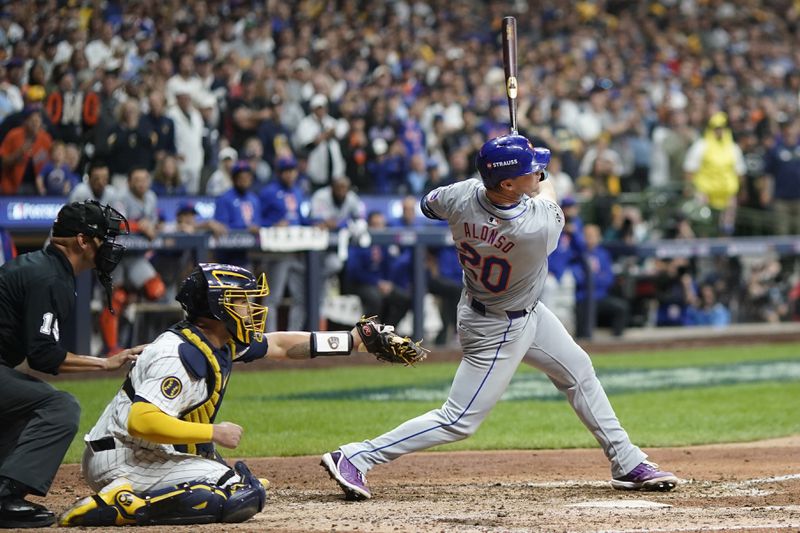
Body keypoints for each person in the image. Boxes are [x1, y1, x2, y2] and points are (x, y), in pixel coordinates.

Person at [321, 134, 679, 501]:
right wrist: (528, 165)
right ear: (507, 185)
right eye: (529, 172)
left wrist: (512, 157)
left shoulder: (463, 194)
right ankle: (356, 455)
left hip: (519, 311)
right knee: (459, 420)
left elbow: (430, 205)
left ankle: (626, 460)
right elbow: (549, 191)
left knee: (578, 371)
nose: (537, 174)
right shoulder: (534, 228)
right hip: (497, 327)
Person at [59, 263, 391, 527]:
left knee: (236, 484)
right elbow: (141, 421)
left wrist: (349, 342)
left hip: (143, 453)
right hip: (121, 458)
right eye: (241, 301)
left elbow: (280, 344)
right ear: (217, 307)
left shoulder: (217, 340)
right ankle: (125, 506)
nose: (251, 308)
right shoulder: (179, 355)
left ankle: (149, 490)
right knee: (241, 493)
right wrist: (213, 432)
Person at [0, 200, 141, 528]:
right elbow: (44, 356)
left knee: (22, 403)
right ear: (82, 240)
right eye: (104, 238)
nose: (109, 246)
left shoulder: (42, 268)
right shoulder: (50, 277)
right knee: (59, 407)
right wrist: (106, 364)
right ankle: (5, 496)